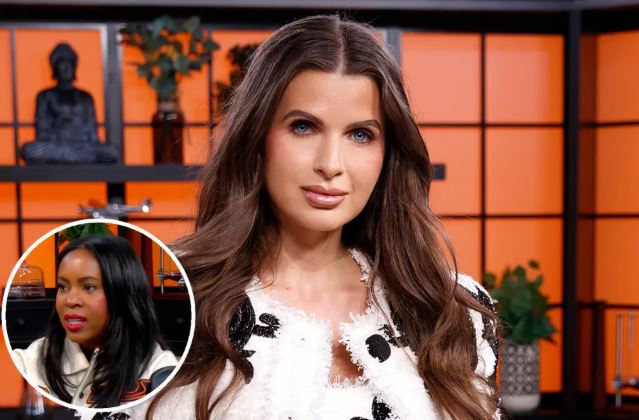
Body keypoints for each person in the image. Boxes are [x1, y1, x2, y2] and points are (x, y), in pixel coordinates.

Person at [140, 14, 500, 420]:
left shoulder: (451, 311)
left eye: (360, 134)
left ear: (388, 154)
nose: (331, 164)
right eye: (303, 127)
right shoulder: (164, 300)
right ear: (257, 137)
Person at [12, 235, 177, 408]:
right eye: (63, 287)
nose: (70, 300)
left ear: (123, 294)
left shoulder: (159, 369)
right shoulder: (30, 361)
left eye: (88, 287)